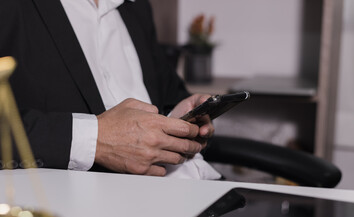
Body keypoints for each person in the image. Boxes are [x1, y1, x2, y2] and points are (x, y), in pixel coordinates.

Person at [0, 0, 220, 179]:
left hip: (189, 189)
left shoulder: (136, 7)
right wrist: (95, 139)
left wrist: (177, 118)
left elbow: (170, 94)